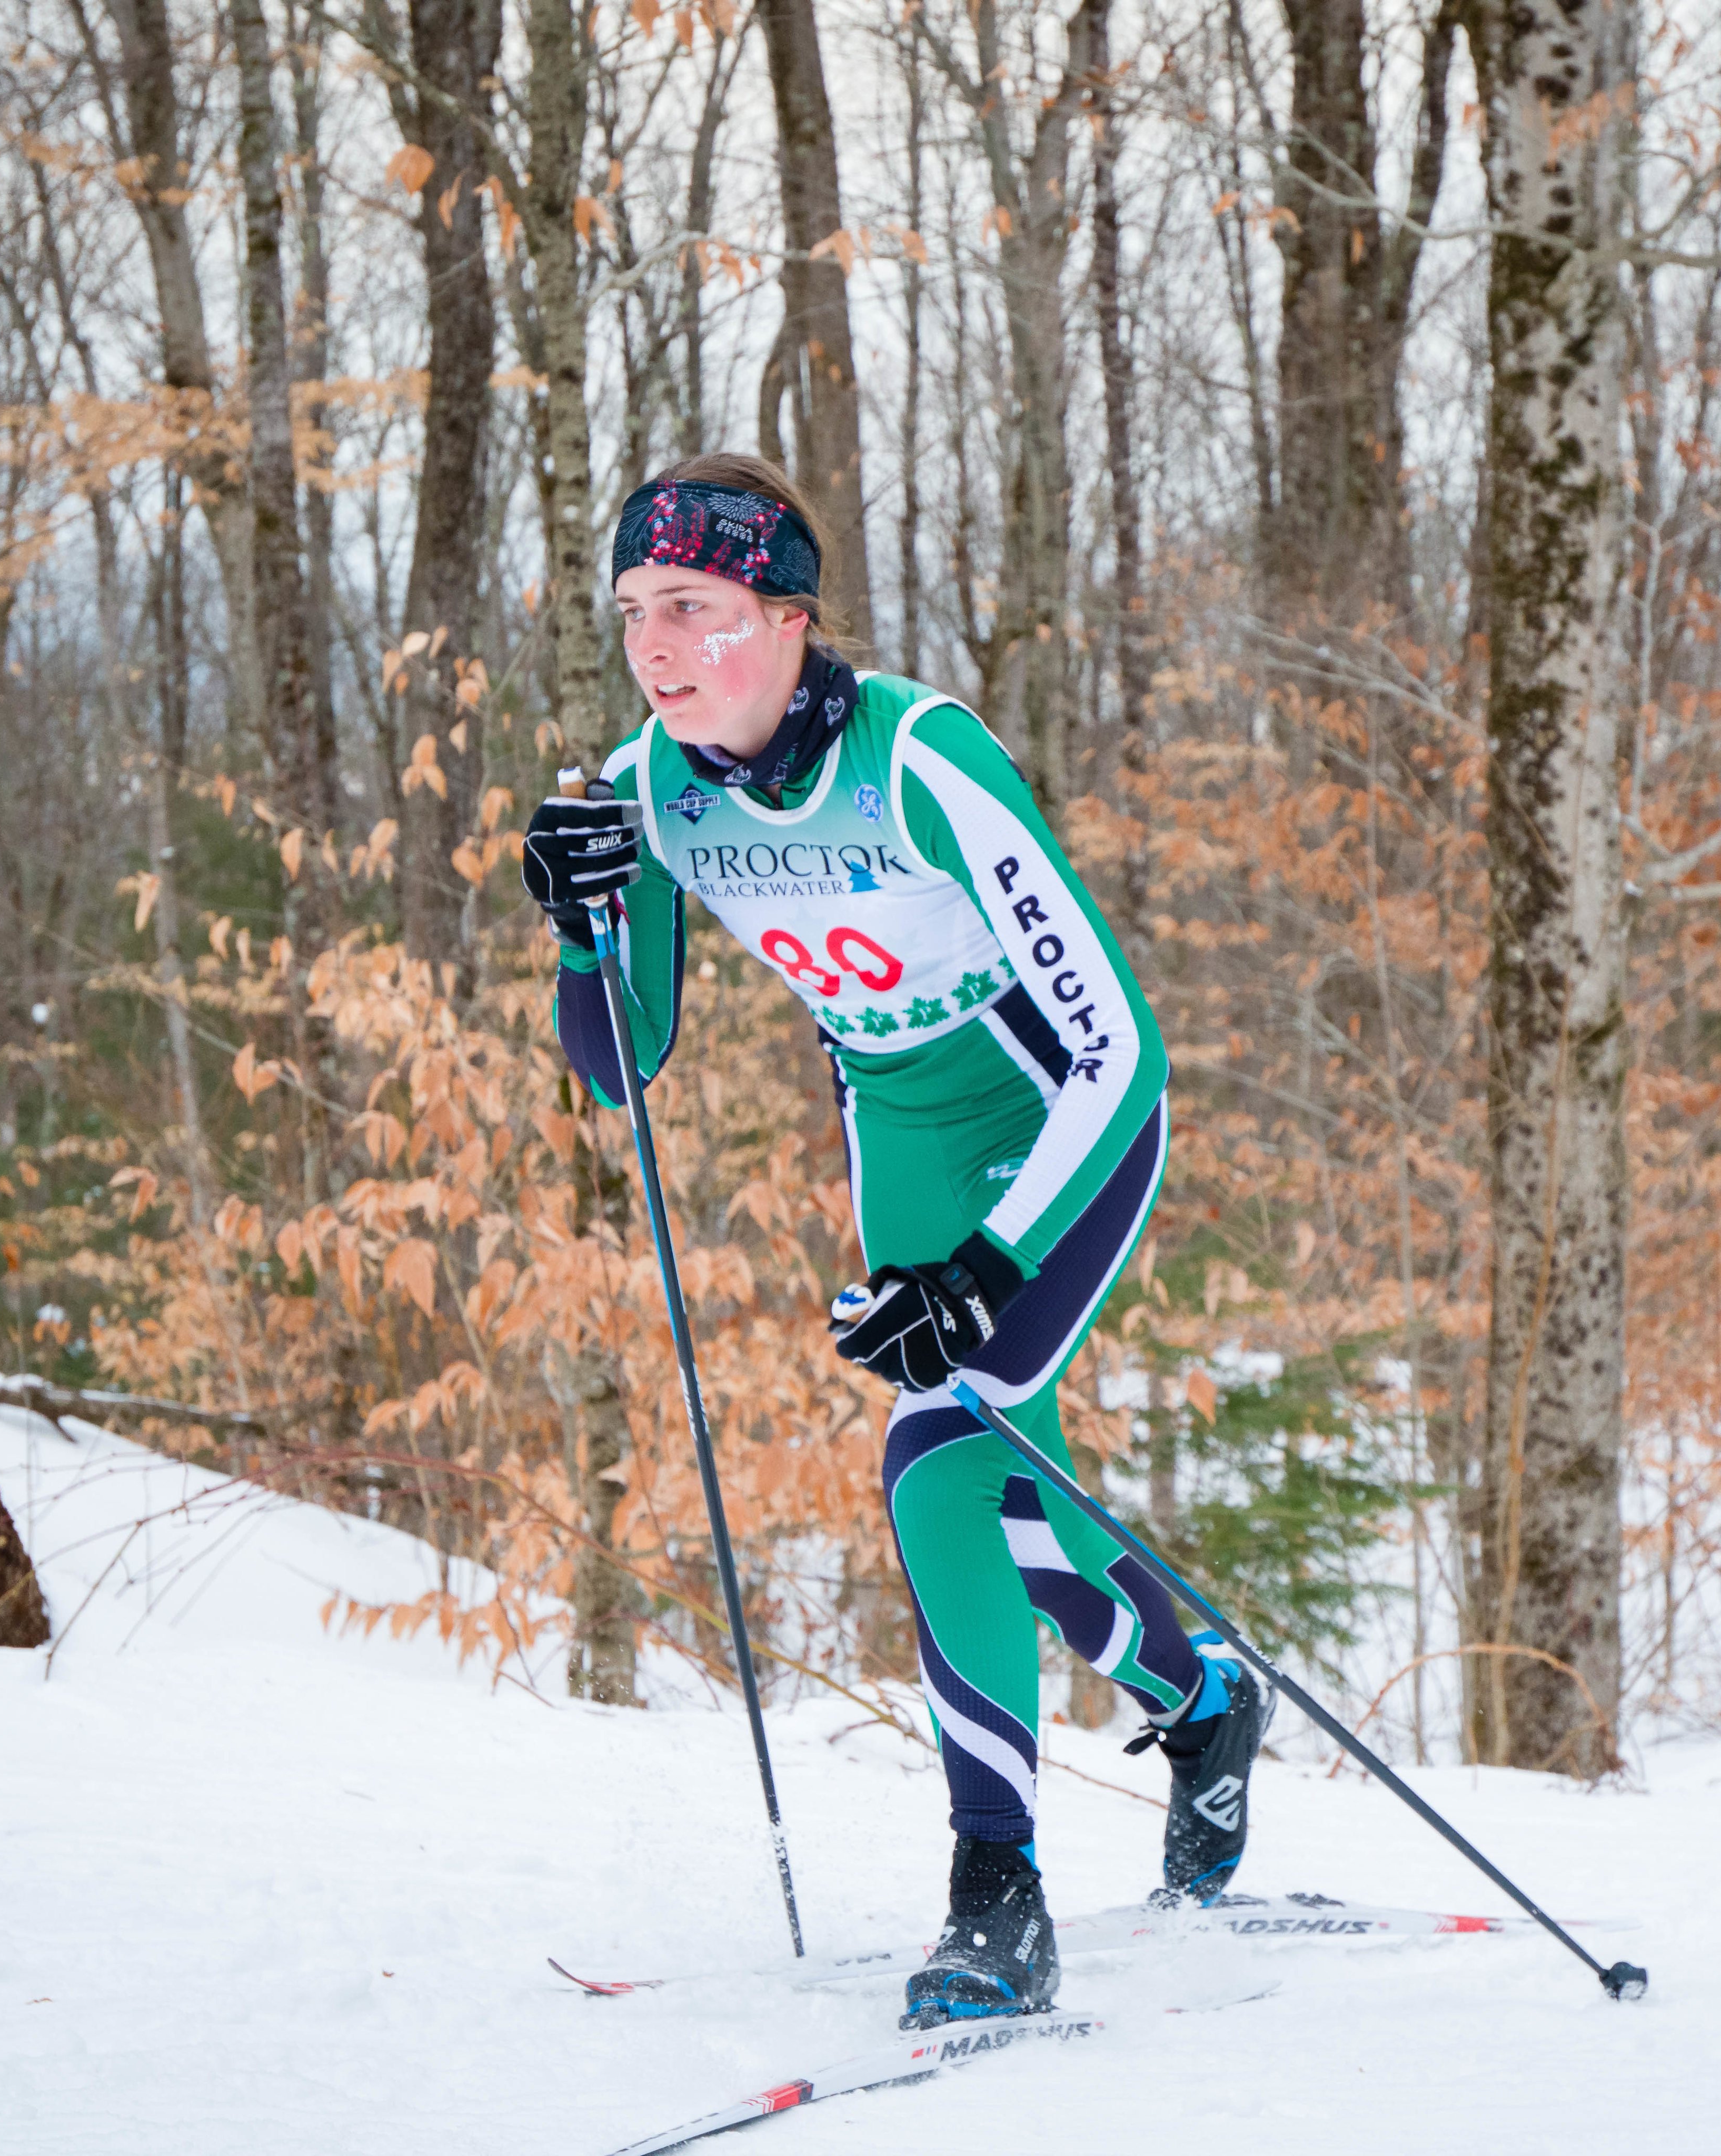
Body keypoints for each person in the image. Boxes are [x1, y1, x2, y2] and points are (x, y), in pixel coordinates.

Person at [521, 454, 1270, 2029]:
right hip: (909, 1138)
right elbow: (620, 1061)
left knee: (938, 1445)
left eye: (699, 610)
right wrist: (581, 924)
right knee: (1002, 1510)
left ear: (786, 619)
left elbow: (1121, 1047)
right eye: (638, 611)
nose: (660, 647)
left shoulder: (923, 758)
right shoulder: (645, 791)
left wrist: (992, 1267)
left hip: (1064, 1123)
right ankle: (1198, 1699)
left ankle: (997, 1892)